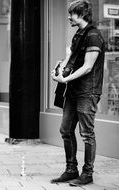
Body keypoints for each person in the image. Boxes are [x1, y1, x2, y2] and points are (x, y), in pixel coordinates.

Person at [51, 0, 105, 186]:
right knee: (65, 130)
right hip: (73, 90)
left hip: (87, 91)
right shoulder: (78, 35)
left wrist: (65, 79)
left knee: (87, 134)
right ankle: (71, 169)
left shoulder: (93, 36)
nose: (68, 17)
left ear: (81, 15)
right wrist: (60, 69)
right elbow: (71, 60)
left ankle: (87, 173)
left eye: (72, 14)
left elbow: (88, 67)